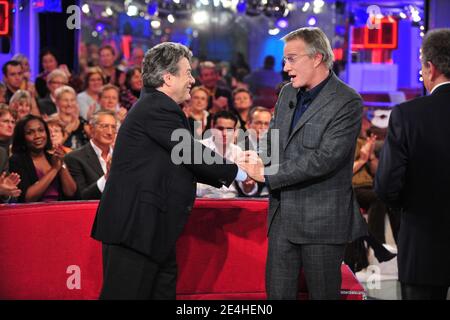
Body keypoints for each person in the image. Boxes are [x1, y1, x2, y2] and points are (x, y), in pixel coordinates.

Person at [91, 42, 250, 300]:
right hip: (135, 229)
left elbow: (182, 159)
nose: (192, 80)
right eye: (187, 73)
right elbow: (190, 152)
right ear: (167, 77)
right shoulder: (157, 107)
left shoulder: (157, 107)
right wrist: (241, 171)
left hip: (152, 230)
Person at [240, 27, 367, 300]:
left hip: (322, 223)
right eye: (285, 60)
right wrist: (256, 159)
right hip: (282, 219)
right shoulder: (287, 93)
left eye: (291, 59)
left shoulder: (347, 101)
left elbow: (325, 159)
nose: (285, 67)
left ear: (317, 58)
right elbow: (273, 140)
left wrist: (267, 173)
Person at [375, 28, 450, 300]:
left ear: (430, 67)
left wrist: (409, 207)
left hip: (423, 248)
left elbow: (386, 186)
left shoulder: (408, 115)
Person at [9, 115, 77, 203]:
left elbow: (71, 192)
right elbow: (28, 198)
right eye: (30, 132)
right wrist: (54, 169)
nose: (37, 136)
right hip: (33, 213)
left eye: (41, 130)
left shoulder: (52, 157)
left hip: (60, 210)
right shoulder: (17, 161)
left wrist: (62, 164)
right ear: (22, 136)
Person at [65, 110, 117, 200]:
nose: (110, 132)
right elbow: (81, 197)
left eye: (113, 127)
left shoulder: (121, 156)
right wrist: (107, 176)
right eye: (104, 126)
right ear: (91, 129)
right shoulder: (75, 158)